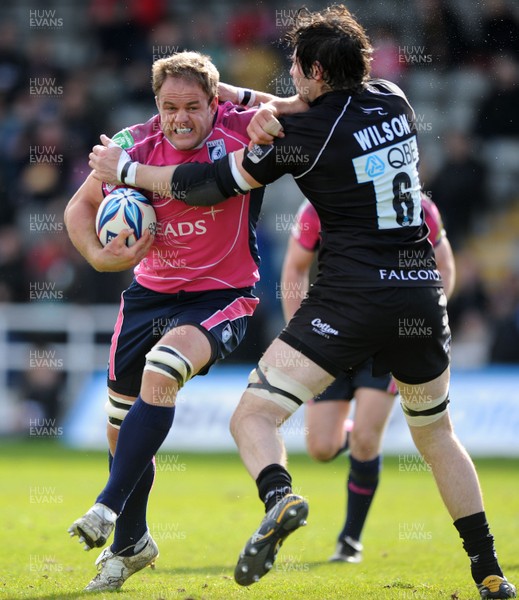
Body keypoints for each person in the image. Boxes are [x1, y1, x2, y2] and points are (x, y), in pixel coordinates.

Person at [87, 7, 516, 598]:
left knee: (253, 416)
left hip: (350, 298)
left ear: (313, 70)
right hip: (419, 296)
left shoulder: (301, 136)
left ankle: (279, 495)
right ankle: (488, 570)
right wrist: (241, 97)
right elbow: (313, 105)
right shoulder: (394, 99)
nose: (289, 79)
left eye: (295, 68)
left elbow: (207, 184)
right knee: (437, 435)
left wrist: (127, 168)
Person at [64, 50, 303, 592]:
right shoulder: (132, 142)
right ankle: (131, 544)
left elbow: (295, 110)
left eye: (193, 106)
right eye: (169, 107)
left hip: (221, 295)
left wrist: (247, 99)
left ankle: (104, 508)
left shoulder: (242, 128)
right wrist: (100, 259)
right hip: (148, 294)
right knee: (118, 429)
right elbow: (77, 211)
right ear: (156, 105)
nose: (180, 118)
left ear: (214, 102)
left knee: (164, 366)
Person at [281, 193, 455, 564]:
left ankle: (350, 540)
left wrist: (426, 320)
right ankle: (354, 434)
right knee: (321, 448)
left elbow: (444, 264)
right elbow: (294, 267)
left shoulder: (418, 207)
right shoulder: (318, 207)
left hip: (389, 339)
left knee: (366, 437)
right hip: (333, 335)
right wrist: (298, 335)